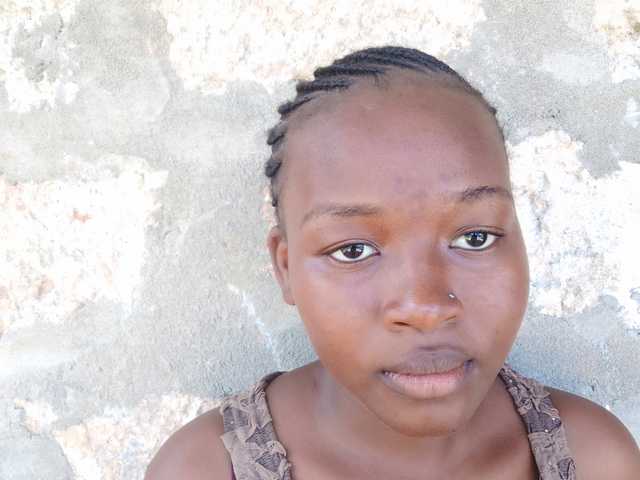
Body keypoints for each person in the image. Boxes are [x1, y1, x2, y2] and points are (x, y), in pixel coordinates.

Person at [145, 46, 640, 479]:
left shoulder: (594, 459)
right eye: (353, 250)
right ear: (286, 267)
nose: (426, 308)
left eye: (475, 237)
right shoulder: (205, 470)